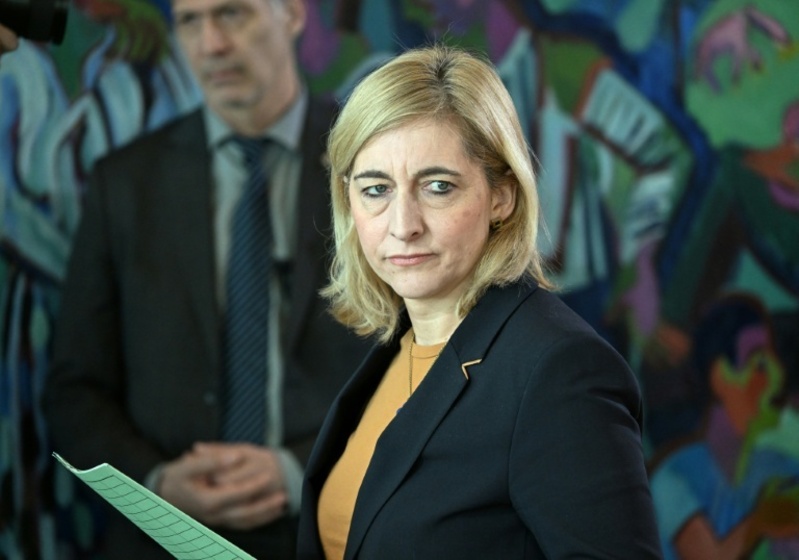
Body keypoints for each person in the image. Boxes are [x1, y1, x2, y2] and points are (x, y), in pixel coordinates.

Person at [296, 45, 663, 559]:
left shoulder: (558, 371)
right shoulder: (394, 347)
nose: (403, 225)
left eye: (437, 187)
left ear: (501, 196)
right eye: (376, 189)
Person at [41, 0, 370, 558]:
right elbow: (75, 389)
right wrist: (156, 484)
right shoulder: (125, 184)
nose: (211, 44)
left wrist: (300, 470)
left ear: (292, 15)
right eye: (190, 21)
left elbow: (425, 372)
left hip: (335, 532)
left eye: (232, 14)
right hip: (160, 540)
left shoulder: (376, 168)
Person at [650, 294, 799, 559]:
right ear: (720, 376)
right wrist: (760, 521)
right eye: (759, 366)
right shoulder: (676, 476)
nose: (774, 380)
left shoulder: (782, 469)